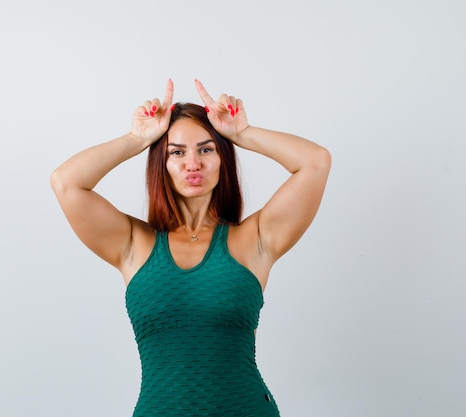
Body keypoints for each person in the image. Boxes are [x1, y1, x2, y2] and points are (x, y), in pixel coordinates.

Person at [51, 79, 331, 416]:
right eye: (177, 152)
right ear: (162, 163)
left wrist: (243, 134)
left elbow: (315, 162)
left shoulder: (255, 239)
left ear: (223, 158)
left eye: (206, 149)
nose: (192, 163)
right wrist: (137, 139)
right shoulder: (131, 244)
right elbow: (66, 183)